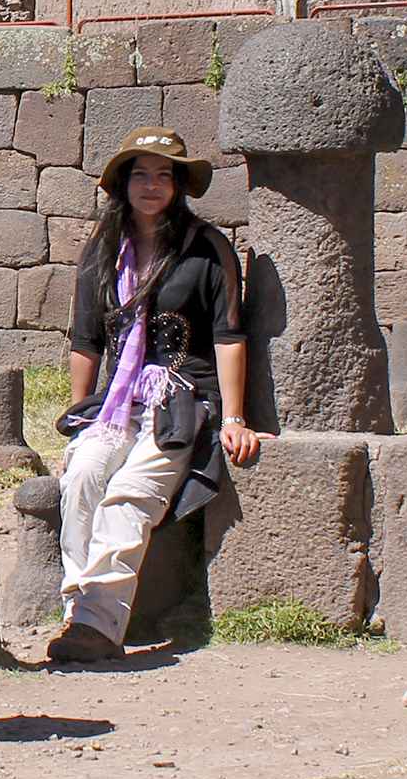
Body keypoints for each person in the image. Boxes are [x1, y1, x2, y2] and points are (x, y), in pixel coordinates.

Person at [47, 126, 259, 664]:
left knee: (130, 494)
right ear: (123, 183)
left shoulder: (207, 250)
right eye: (141, 173)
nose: (152, 185)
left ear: (179, 185)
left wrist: (234, 416)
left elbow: (229, 337)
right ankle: (79, 609)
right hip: (118, 404)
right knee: (82, 477)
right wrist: (80, 413)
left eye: (164, 175)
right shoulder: (102, 251)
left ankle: (99, 626)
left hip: (182, 401)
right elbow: (87, 340)